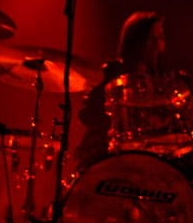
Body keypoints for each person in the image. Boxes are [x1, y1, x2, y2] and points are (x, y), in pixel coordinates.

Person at [74, 10, 173, 168]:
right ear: (137, 42)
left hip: (144, 157)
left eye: (161, 38)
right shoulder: (114, 74)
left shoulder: (159, 79)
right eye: (153, 38)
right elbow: (88, 115)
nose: (159, 44)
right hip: (106, 157)